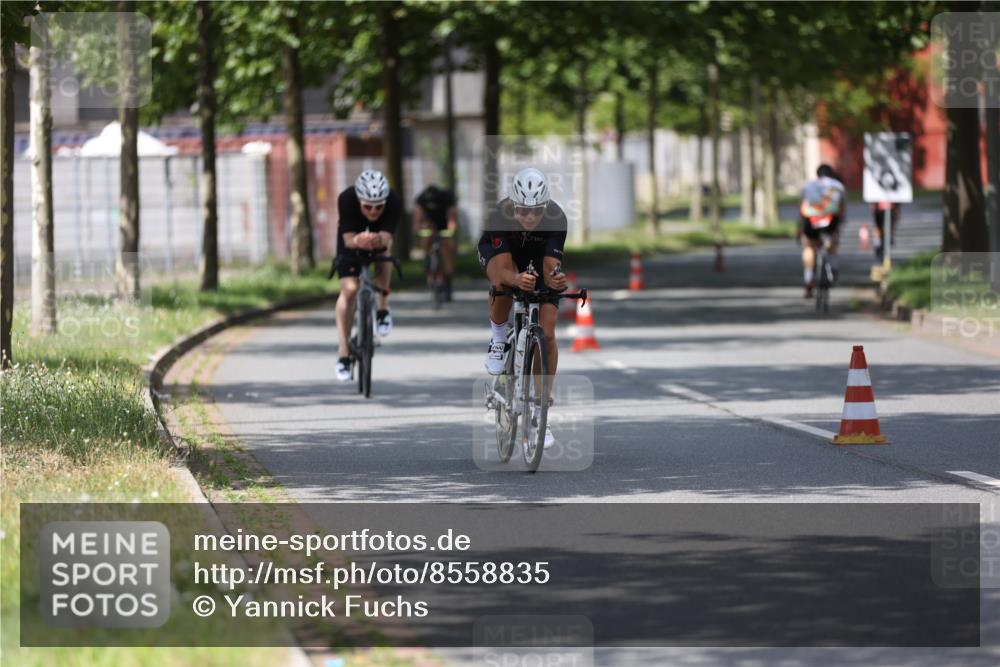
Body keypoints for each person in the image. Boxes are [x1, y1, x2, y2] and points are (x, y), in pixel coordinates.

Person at [477, 167, 568, 449]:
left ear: (545, 208)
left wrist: (555, 279)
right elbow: (504, 269)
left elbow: (550, 267)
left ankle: (541, 412)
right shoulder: (499, 214)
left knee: (549, 334)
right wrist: (517, 280)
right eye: (523, 211)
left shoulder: (557, 217)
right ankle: (499, 338)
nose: (529, 217)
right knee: (503, 284)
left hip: (537, 259)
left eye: (536, 212)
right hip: (503, 258)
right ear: (512, 205)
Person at [330, 169, 400, 382]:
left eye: (379, 206)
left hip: (378, 242)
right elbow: (349, 239)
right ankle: (343, 353)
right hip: (351, 241)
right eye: (368, 206)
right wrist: (359, 240)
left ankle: (382, 308)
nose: (373, 211)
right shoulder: (347, 199)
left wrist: (376, 240)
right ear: (360, 201)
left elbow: (387, 238)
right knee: (350, 290)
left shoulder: (394, 200)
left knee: (385, 255)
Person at [799, 164, 846, 298]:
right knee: (832, 242)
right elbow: (842, 208)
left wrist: (801, 228)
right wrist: (838, 227)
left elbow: (803, 208)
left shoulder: (808, 186)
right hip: (831, 219)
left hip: (811, 219)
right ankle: (833, 269)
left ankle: (808, 279)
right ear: (831, 174)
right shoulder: (838, 185)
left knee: (809, 246)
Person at [414, 184, 459, 299]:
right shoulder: (421, 199)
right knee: (426, 235)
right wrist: (419, 230)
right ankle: (427, 259)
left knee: (447, 246)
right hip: (429, 224)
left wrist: (451, 230)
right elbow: (417, 222)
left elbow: (452, 219)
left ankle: (448, 280)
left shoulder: (447, 198)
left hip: (443, 223)